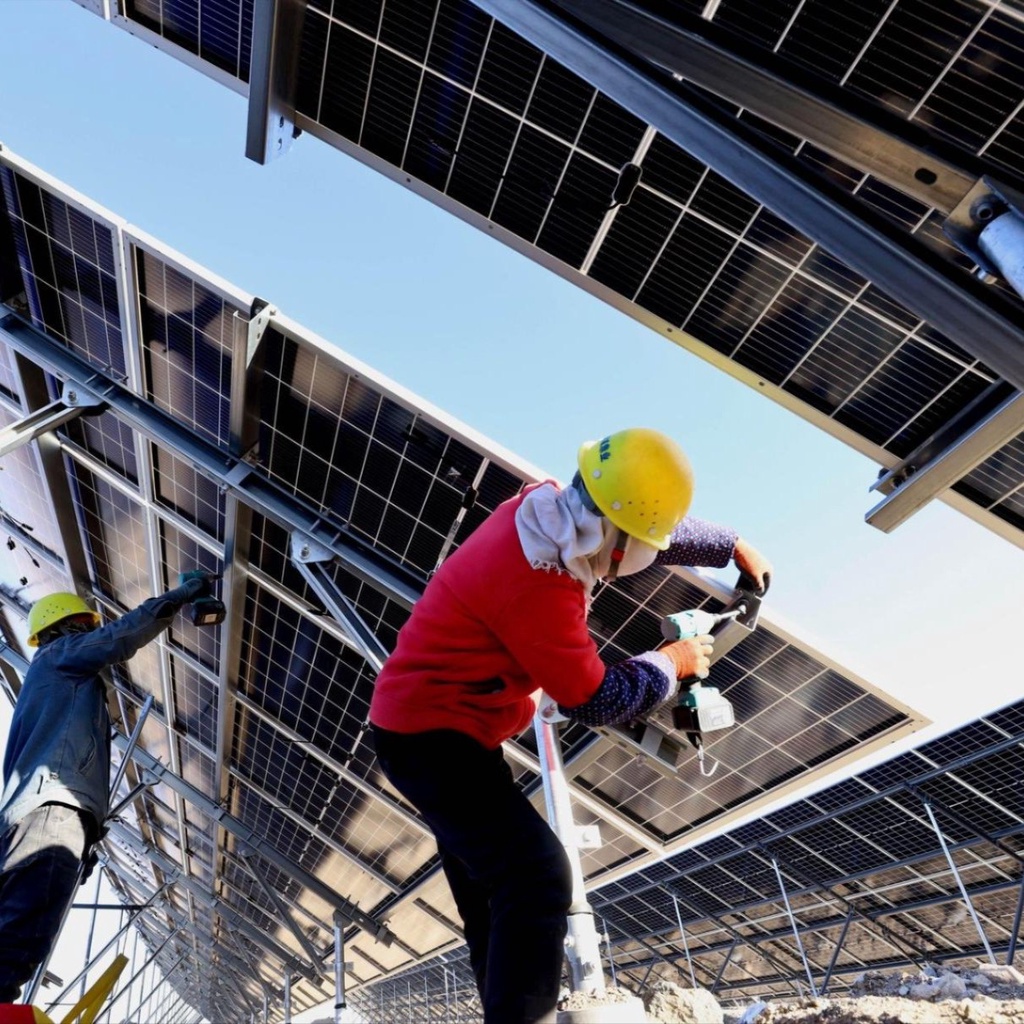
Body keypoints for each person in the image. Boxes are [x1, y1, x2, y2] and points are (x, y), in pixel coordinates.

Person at [369, 427, 772, 1024]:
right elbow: (596, 698)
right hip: (434, 740)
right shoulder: (539, 584)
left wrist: (727, 544)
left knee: (493, 895)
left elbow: (634, 528)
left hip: (434, 730)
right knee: (536, 878)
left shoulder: (550, 509)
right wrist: (672, 662)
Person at [0, 576, 214, 1004]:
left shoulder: (59, 686)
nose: (88, 634)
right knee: (23, 925)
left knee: (25, 916)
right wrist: (176, 598)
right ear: (65, 630)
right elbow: (120, 637)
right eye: (82, 626)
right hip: (54, 804)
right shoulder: (59, 656)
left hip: (48, 808)